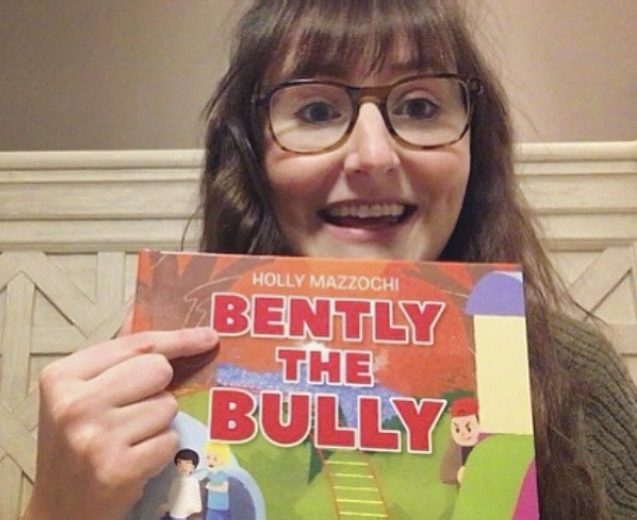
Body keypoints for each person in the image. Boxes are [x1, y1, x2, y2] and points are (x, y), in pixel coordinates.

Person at [24, 1, 636, 519]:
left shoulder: (573, 374)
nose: (374, 156)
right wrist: (57, 506)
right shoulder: (159, 376)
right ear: (252, 158)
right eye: (316, 111)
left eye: (420, 107)